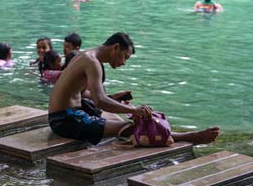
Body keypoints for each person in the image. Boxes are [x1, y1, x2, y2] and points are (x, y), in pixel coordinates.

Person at [48, 32, 220, 146]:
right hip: (65, 121)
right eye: (125, 57)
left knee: (123, 119)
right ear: (115, 47)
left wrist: (113, 97)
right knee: (130, 127)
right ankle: (188, 138)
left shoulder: (87, 56)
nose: (123, 62)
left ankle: (173, 134)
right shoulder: (93, 63)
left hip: (69, 112)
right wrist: (134, 110)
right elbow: (100, 101)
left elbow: (77, 92)